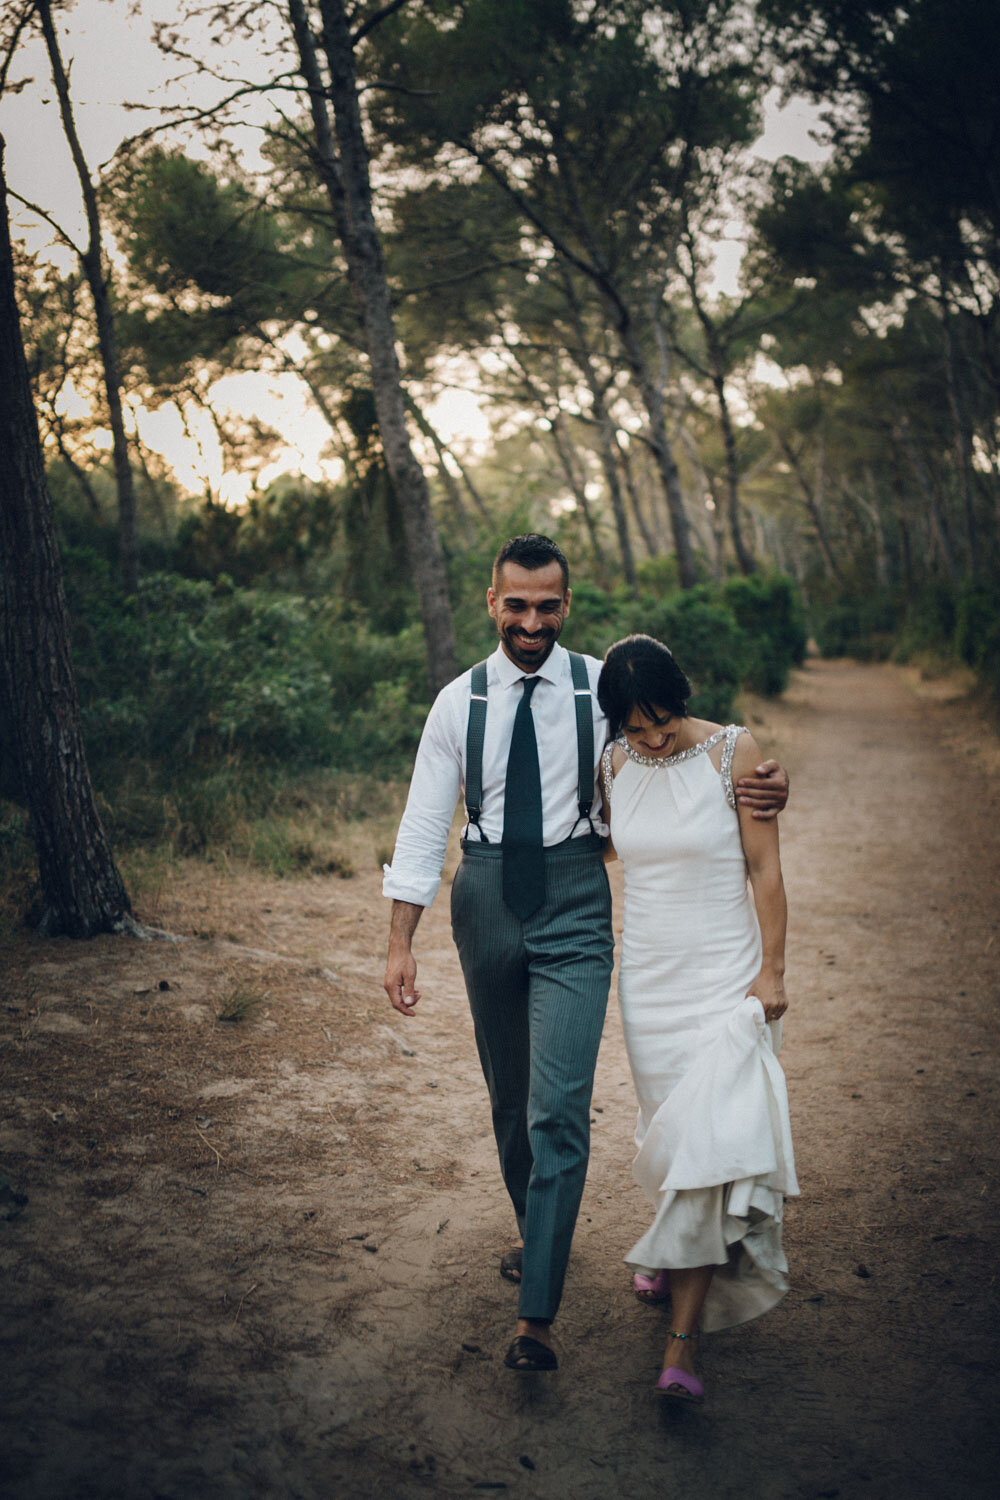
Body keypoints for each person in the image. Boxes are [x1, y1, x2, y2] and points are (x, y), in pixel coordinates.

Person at [382, 536, 790, 1373]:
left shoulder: (602, 690)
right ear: (491, 603)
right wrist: (401, 942)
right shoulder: (457, 703)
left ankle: (536, 1317)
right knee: (510, 1101)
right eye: (517, 605)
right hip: (486, 894)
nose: (532, 621)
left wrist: (771, 785)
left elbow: (679, 748)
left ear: (567, 606)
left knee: (558, 1106)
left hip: (574, 899)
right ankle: (540, 1231)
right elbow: (426, 823)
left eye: (548, 606)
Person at [597, 634, 798, 1403]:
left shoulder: (733, 752)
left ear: (683, 700)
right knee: (670, 1124)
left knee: (717, 1136)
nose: (652, 738)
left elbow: (764, 868)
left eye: (664, 722)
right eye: (636, 727)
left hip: (724, 976)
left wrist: (770, 970)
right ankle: (672, 1243)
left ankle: (682, 1346)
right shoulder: (613, 764)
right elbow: (616, 848)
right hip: (648, 979)